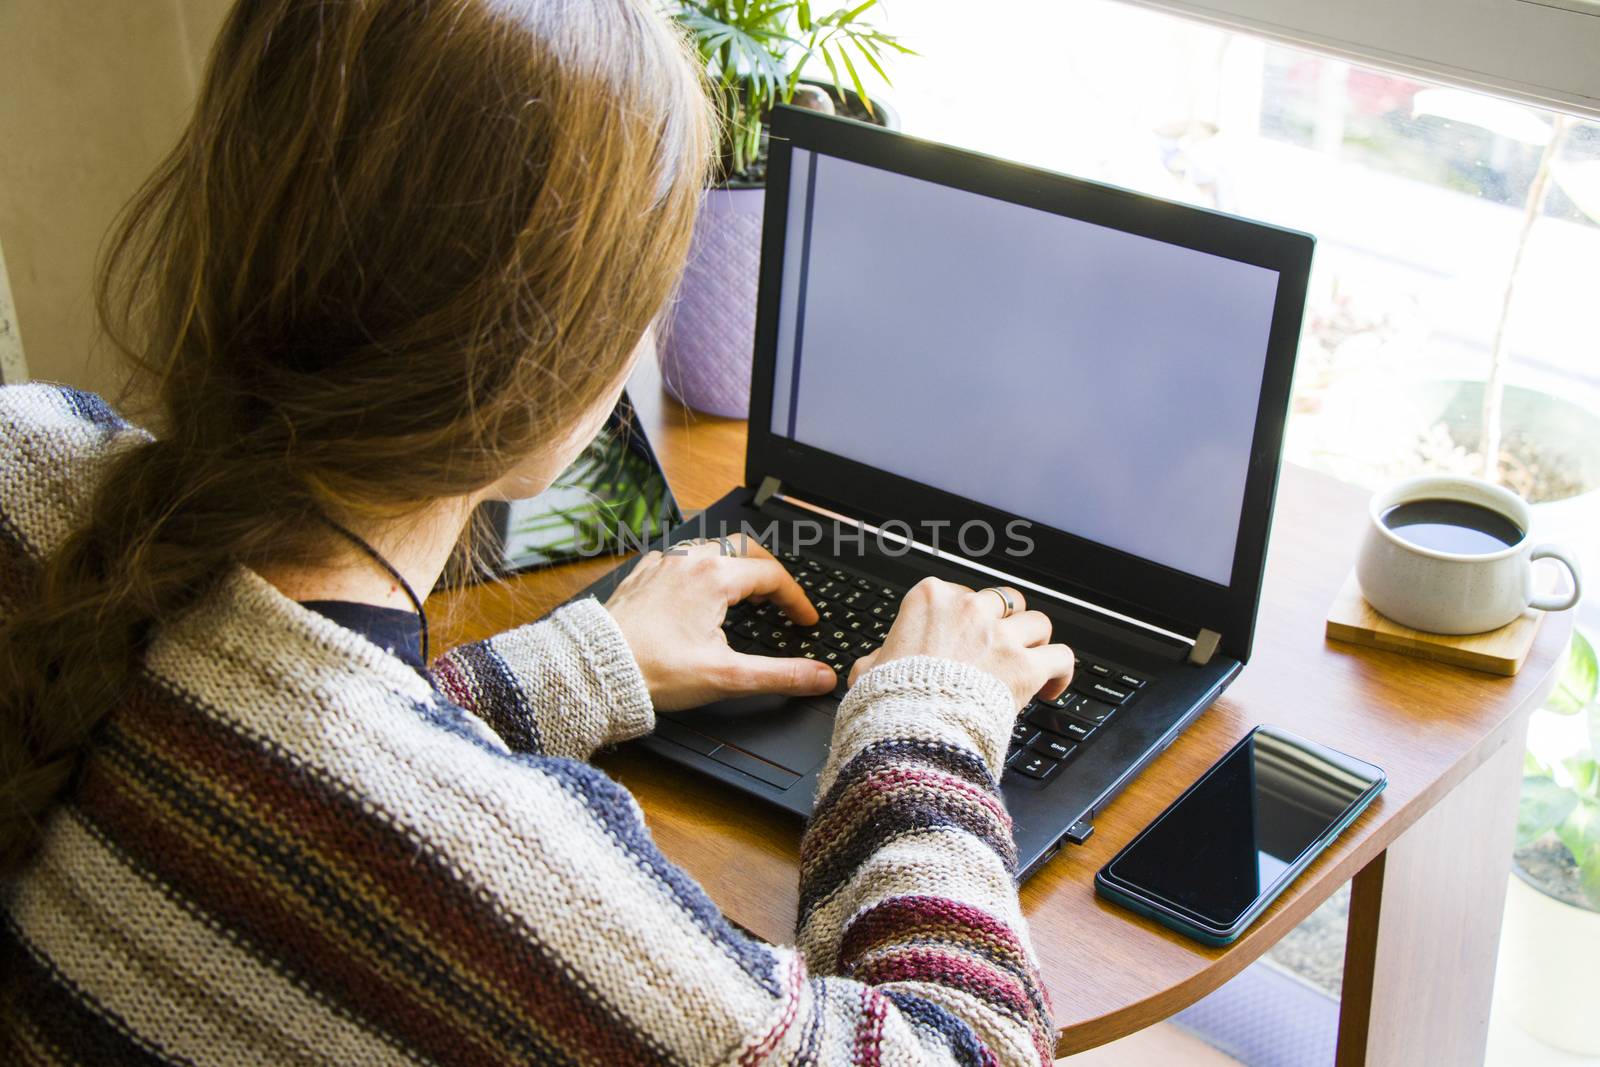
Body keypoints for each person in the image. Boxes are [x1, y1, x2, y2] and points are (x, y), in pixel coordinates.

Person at [0, 1, 1075, 1063]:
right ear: (548, 375)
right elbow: (962, 1051)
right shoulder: (499, 878)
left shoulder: (25, 461)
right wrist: (928, 711)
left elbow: (253, 750)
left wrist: (570, 664)